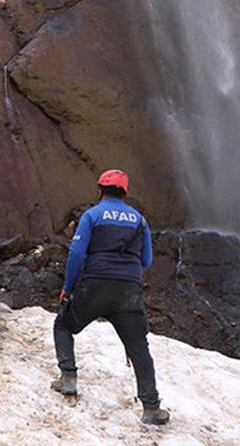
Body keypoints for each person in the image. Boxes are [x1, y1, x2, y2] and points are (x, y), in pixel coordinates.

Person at [52, 169, 170, 425]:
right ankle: (151, 408)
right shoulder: (139, 220)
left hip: (95, 285)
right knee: (139, 348)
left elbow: (76, 254)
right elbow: (146, 260)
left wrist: (68, 287)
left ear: (100, 190)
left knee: (63, 325)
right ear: (125, 193)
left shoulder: (92, 215)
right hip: (128, 291)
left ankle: (69, 379)